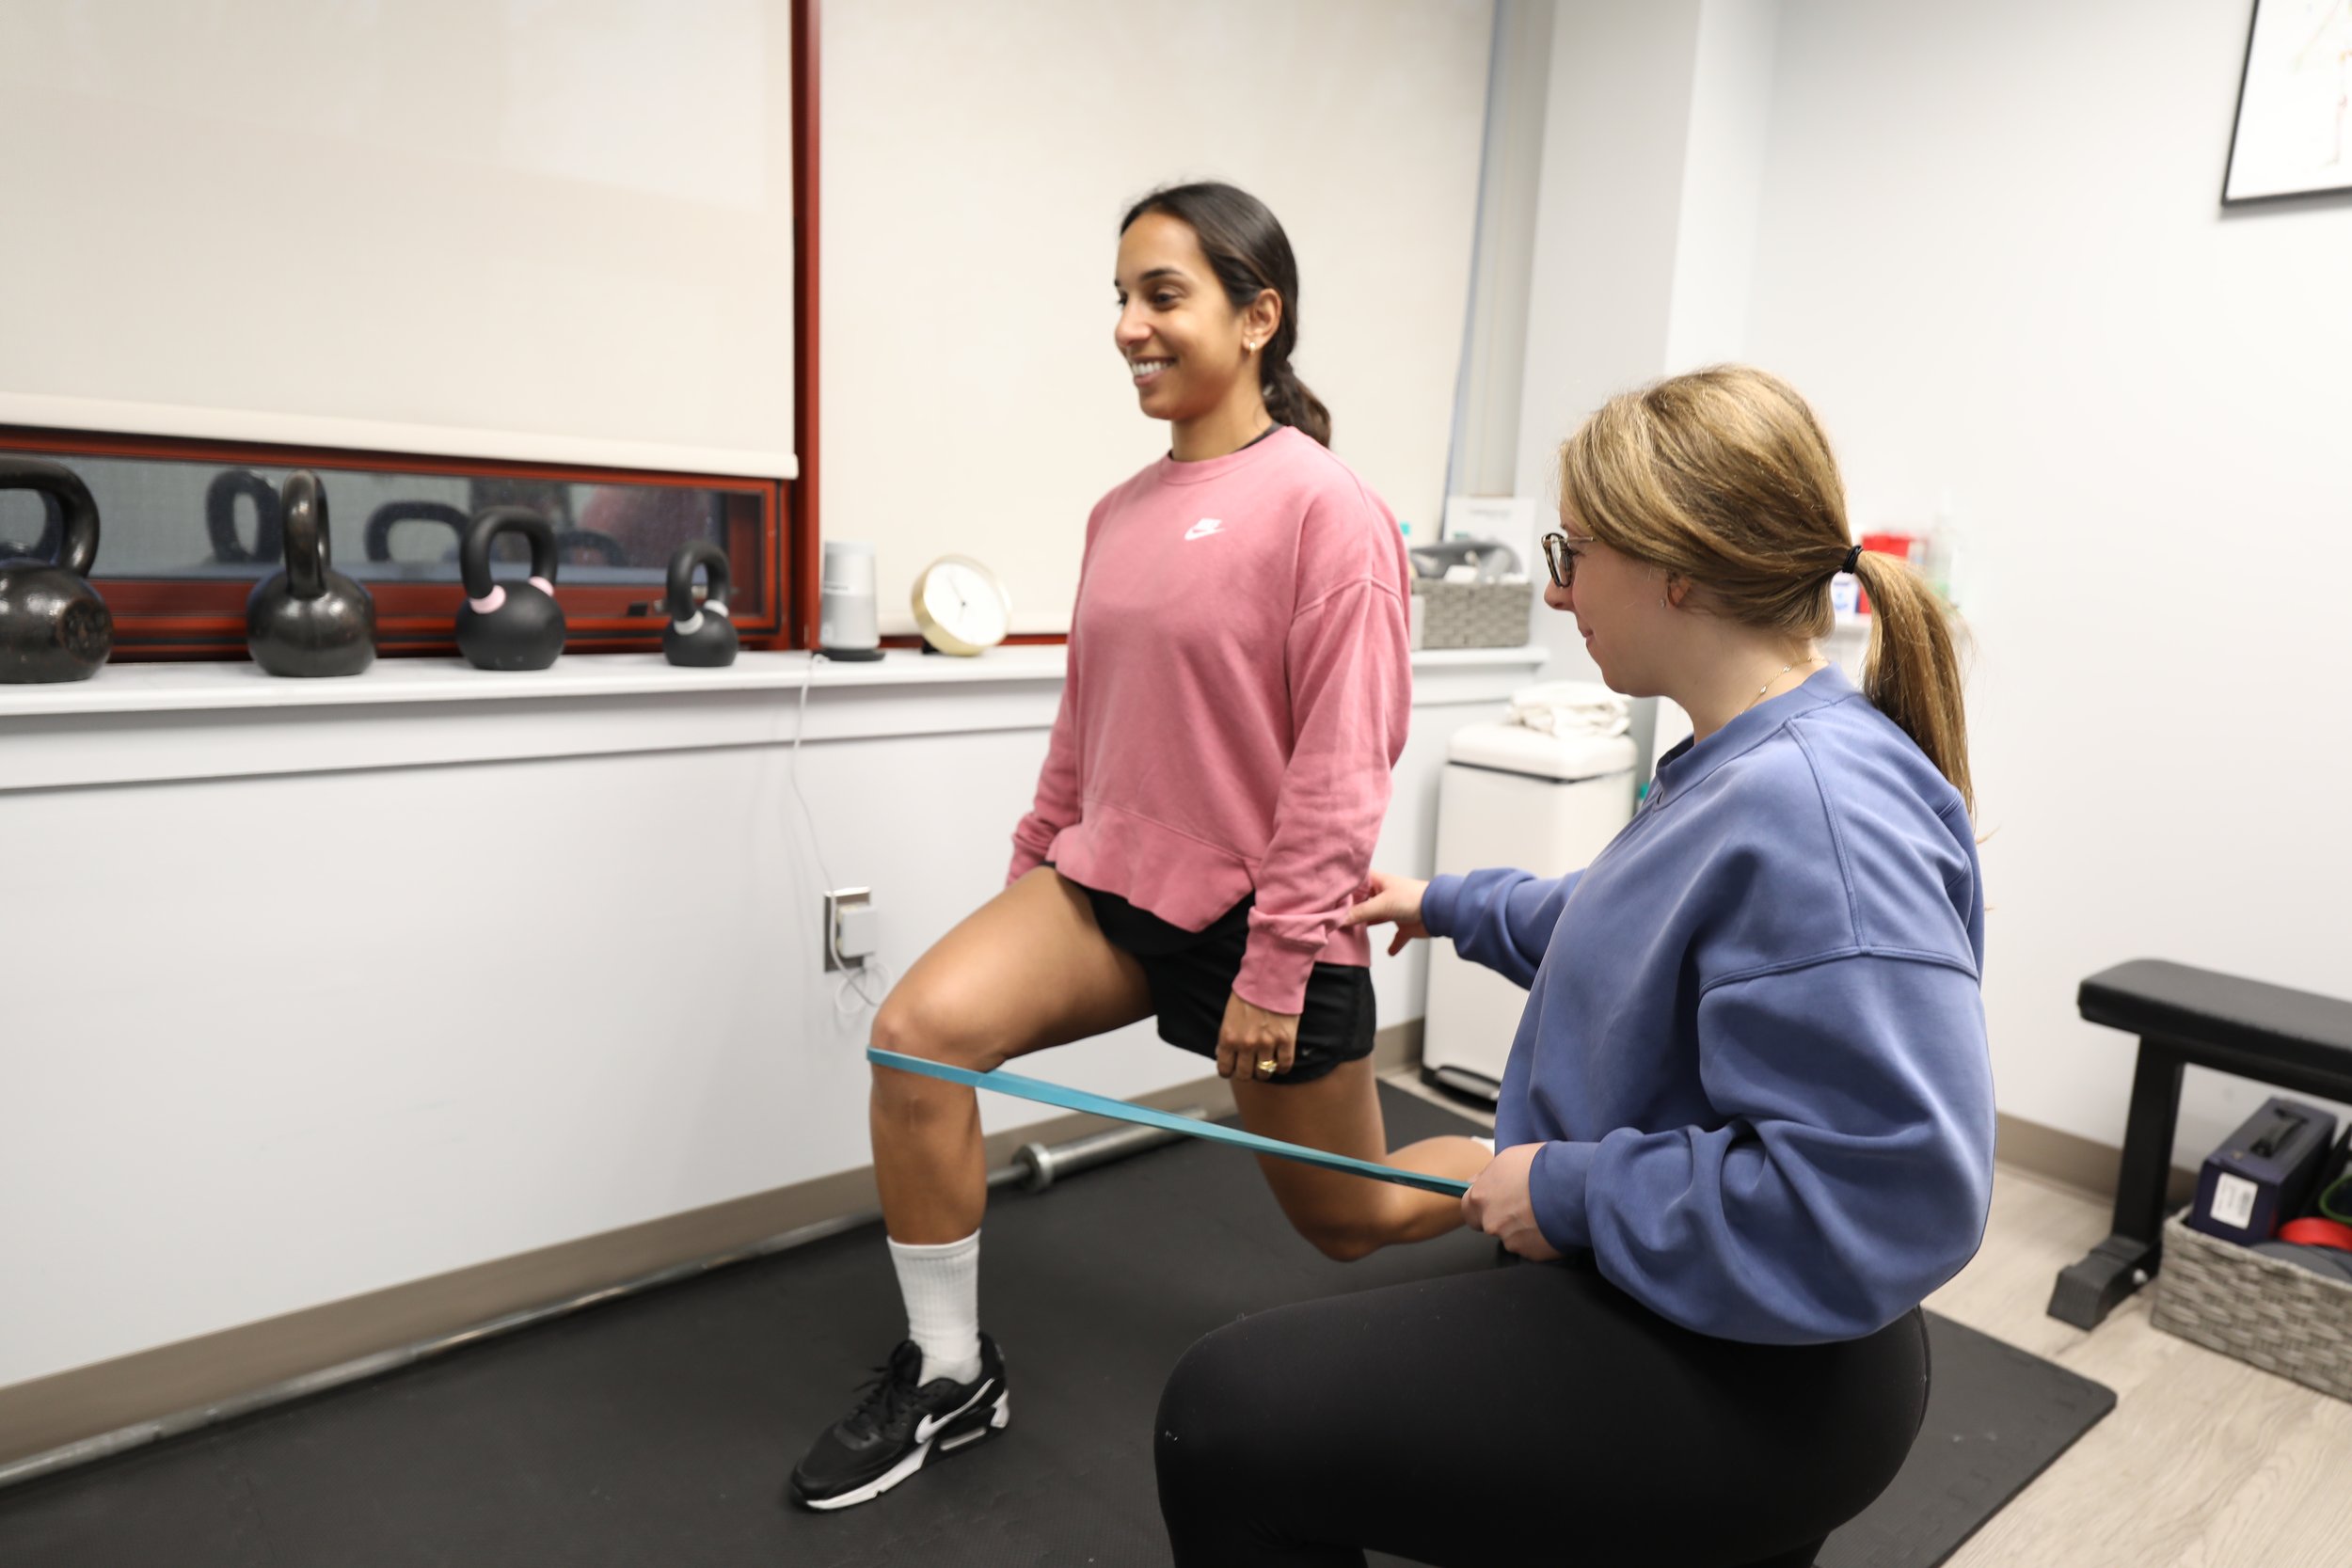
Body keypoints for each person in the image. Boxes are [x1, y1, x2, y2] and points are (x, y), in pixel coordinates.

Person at [1153, 366, 1997, 1568]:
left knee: (1223, 1411)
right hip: (1716, 1295)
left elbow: (1886, 1196)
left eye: (1575, 550)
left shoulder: (1818, 811)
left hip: (1764, 1363)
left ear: (1679, 565)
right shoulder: (1739, 757)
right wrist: (1442, 903)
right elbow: (1626, 924)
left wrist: (1570, 1189)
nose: (1557, 588)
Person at [788, 182, 1489, 1512]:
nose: (1128, 326)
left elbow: (1344, 771)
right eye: (1120, 297)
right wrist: (1030, 879)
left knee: (1357, 1217)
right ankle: (952, 1372)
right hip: (1110, 886)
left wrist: (1280, 966)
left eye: (1161, 295)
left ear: (1257, 316)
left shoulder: (1330, 513)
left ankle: (1542, 1177)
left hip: (1259, 923)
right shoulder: (1119, 512)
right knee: (916, 1033)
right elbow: (1087, 725)